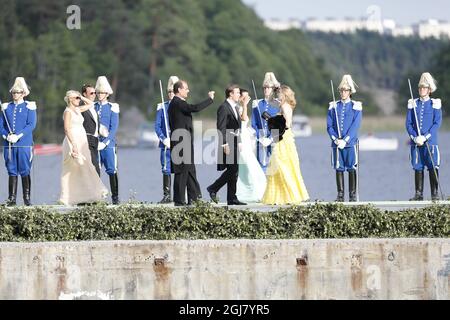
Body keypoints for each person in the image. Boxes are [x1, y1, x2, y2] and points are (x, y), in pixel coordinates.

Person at [168, 80, 215, 206]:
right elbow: (194, 108)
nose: (188, 90)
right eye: (186, 88)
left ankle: (195, 199)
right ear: (179, 90)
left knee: (190, 170)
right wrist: (209, 99)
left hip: (185, 141)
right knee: (182, 171)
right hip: (180, 142)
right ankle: (179, 201)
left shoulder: (177, 103)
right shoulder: (177, 103)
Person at [261, 85, 309, 205]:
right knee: (280, 166)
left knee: (281, 166)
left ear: (284, 95)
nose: (278, 97)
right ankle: (281, 197)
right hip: (284, 137)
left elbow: (286, 124)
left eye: (279, 95)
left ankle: (290, 195)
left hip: (283, 138)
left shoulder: (284, 106)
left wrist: (272, 123)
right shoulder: (284, 105)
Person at [59, 91, 108, 206]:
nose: (78, 99)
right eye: (76, 98)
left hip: (82, 141)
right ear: (70, 99)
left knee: (86, 167)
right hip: (73, 141)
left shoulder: (77, 109)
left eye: (78, 98)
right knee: (72, 169)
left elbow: (91, 104)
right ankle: (66, 196)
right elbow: (67, 129)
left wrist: (81, 97)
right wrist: (73, 144)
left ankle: (87, 195)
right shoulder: (68, 112)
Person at [207, 85, 246, 206]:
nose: (239, 95)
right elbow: (221, 127)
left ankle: (232, 198)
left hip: (234, 139)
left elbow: (237, 127)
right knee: (233, 169)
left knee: (234, 170)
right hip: (227, 140)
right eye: (237, 92)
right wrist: (224, 144)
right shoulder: (224, 107)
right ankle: (213, 188)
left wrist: (239, 141)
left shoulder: (235, 107)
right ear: (230, 94)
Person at [0, 77, 37, 206]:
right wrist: (6, 136)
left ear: (23, 93)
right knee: (11, 169)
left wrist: (18, 135)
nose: (15, 94)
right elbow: (1, 125)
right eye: (13, 92)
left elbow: (31, 125)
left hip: (24, 144)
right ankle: (12, 198)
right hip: (9, 145)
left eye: (17, 92)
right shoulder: (6, 107)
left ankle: (27, 198)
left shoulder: (29, 107)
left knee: (24, 169)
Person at [406, 72, 442, 201]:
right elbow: (408, 123)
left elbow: (437, 123)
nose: (421, 90)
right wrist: (415, 137)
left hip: (430, 142)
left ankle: (434, 194)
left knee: (433, 166)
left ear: (429, 90)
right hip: (416, 143)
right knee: (417, 166)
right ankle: (418, 194)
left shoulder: (435, 103)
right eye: (420, 87)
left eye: (424, 88)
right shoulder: (413, 103)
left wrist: (425, 137)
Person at [326, 75, 362, 202]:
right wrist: (335, 139)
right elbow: (329, 126)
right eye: (341, 90)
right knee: (339, 167)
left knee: (351, 168)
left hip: (350, 143)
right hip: (337, 144)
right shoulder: (333, 106)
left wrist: (345, 140)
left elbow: (355, 126)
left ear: (350, 92)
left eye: (345, 90)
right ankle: (340, 195)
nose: (343, 93)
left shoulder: (355, 106)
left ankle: (352, 195)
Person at [236, 88, 267, 203]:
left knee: (251, 167)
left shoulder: (242, 107)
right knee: (248, 166)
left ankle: (257, 192)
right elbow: (243, 119)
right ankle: (249, 193)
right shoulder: (239, 108)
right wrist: (244, 106)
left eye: (248, 97)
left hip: (246, 139)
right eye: (244, 97)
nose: (247, 99)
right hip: (241, 140)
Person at [94, 76, 120, 205]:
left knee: (111, 170)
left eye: (102, 93)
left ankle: (115, 197)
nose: (99, 95)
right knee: (95, 171)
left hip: (108, 144)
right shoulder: (92, 106)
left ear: (107, 93)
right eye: (98, 92)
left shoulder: (112, 107)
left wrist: (105, 142)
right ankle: (96, 197)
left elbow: (114, 127)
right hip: (95, 144)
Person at [155, 76, 179, 204]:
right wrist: (164, 139)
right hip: (166, 144)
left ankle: (180, 195)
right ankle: (167, 195)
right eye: (169, 92)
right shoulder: (162, 107)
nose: (170, 94)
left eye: (173, 92)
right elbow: (157, 126)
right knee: (166, 168)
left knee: (180, 169)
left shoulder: (181, 106)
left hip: (179, 142)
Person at [251, 72, 281, 173]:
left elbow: (279, 125)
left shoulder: (278, 104)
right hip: (261, 141)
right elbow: (254, 124)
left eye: (268, 87)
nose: (266, 90)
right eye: (264, 87)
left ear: (273, 89)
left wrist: (271, 138)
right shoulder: (257, 104)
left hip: (274, 142)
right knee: (261, 169)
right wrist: (260, 137)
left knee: (274, 169)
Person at [81, 84, 100, 176]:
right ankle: (97, 190)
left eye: (95, 93)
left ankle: (93, 189)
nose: (94, 95)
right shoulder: (81, 108)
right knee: (95, 169)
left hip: (96, 141)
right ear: (84, 94)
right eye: (91, 93)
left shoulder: (94, 108)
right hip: (86, 140)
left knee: (95, 168)